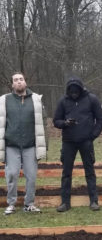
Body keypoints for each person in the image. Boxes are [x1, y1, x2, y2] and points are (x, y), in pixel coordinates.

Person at [53, 76, 102, 212]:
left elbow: (101, 119)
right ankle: (65, 202)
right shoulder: (63, 101)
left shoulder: (91, 99)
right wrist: (65, 123)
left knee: (90, 172)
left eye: (76, 90)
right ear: (68, 90)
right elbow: (56, 121)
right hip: (68, 142)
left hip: (86, 141)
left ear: (81, 89)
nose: (74, 93)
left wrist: (92, 136)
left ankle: (94, 201)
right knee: (66, 173)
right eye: (71, 90)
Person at [0, 72, 46, 215]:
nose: (19, 82)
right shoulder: (4, 100)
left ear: (25, 82)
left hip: (30, 145)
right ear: (12, 84)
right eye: (16, 80)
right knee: (12, 174)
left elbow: (42, 124)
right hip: (11, 145)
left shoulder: (36, 99)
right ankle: (11, 204)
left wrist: (44, 146)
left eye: (21, 79)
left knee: (31, 176)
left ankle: (29, 204)